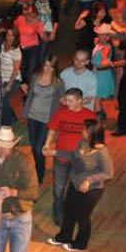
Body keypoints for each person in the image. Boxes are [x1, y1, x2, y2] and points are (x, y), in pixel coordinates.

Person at [48, 119, 113, 251]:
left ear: (91, 133)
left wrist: (89, 180)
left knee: (82, 215)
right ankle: (64, 237)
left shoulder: (102, 152)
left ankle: (81, 244)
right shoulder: (82, 143)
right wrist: (55, 152)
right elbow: (73, 156)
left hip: (92, 190)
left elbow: (109, 173)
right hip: (75, 184)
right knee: (69, 211)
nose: (81, 131)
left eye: (84, 129)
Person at [43, 88, 98, 227]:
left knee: (77, 189)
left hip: (80, 161)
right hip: (61, 158)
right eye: (66, 100)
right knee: (58, 189)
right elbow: (52, 130)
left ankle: (75, 214)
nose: (66, 103)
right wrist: (47, 144)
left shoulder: (90, 116)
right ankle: (59, 214)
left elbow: (95, 138)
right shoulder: (61, 113)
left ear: (80, 100)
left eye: (70, 101)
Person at [23, 54, 65, 183]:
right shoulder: (35, 77)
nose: (47, 69)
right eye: (45, 65)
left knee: (39, 148)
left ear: (55, 68)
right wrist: (25, 92)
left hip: (47, 120)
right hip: (32, 116)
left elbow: (61, 100)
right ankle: (38, 168)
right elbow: (30, 95)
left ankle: (39, 173)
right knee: (33, 146)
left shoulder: (58, 83)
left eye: (51, 67)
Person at [13, 5, 47, 85]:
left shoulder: (38, 23)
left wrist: (44, 34)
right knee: (21, 68)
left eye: (32, 16)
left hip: (32, 48)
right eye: (28, 15)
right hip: (20, 47)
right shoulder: (20, 19)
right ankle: (23, 84)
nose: (29, 18)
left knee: (30, 69)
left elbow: (44, 37)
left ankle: (28, 87)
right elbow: (15, 27)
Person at [0, 27, 23, 125]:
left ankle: (5, 123)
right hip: (3, 77)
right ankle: (13, 119)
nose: (9, 37)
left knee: (3, 98)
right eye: (8, 34)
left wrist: (9, 84)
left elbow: (16, 70)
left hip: (14, 79)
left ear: (16, 37)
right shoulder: (3, 45)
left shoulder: (16, 51)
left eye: (12, 35)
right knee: (3, 100)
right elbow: (1, 62)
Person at [90, 24, 116, 104]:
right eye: (99, 34)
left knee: (96, 98)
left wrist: (105, 60)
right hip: (96, 73)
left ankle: (99, 115)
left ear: (107, 37)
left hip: (101, 75)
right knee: (96, 98)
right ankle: (100, 113)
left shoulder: (106, 47)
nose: (100, 36)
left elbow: (105, 56)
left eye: (102, 35)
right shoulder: (98, 45)